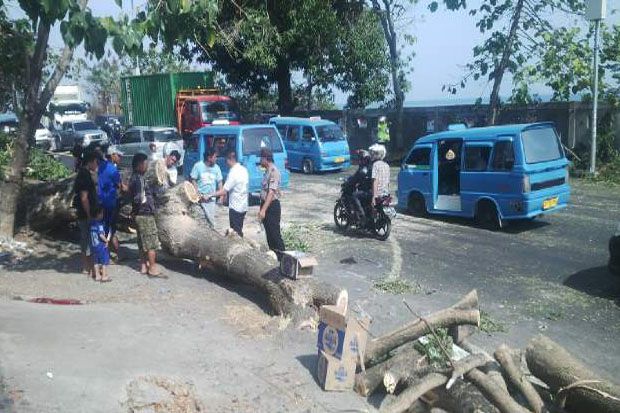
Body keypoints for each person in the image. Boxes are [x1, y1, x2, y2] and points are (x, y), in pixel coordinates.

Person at [129, 153, 164, 278]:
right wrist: (141, 205)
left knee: (141, 241)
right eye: (145, 163)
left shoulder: (134, 177)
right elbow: (138, 198)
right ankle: (152, 267)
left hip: (139, 214)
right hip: (145, 214)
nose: (147, 166)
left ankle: (144, 266)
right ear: (139, 164)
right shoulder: (139, 179)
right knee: (151, 242)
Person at [208, 150, 249, 237]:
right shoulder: (244, 169)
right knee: (238, 229)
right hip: (243, 205)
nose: (226, 163)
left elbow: (224, 190)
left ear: (230, 159)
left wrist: (210, 195)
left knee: (235, 233)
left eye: (226, 160)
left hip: (235, 206)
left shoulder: (233, 172)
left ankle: (240, 249)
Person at [73, 151, 100, 274]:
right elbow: (84, 198)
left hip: (86, 212)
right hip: (85, 214)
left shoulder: (85, 173)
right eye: (96, 162)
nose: (97, 164)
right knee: (87, 240)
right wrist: (89, 214)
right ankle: (87, 266)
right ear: (90, 161)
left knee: (88, 239)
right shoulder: (84, 175)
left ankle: (89, 266)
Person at [258, 148, 286, 260]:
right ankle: (274, 258)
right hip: (266, 205)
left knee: (275, 235)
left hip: (272, 207)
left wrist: (263, 210)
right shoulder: (267, 171)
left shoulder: (274, 171)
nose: (260, 160)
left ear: (266, 158)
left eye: (261, 158)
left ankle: (284, 259)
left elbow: (271, 193)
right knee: (269, 235)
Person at [98, 145, 123, 261]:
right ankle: (106, 255)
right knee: (109, 229)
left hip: (100, 201)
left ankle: (112, 253)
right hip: (110, 202)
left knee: (103, 227)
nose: (121, 158)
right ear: (113, 155)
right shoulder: (113, 170)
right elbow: (120, 186)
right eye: (119, 155)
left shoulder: (101, 166)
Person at [190, 148, 223, 227]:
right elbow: (193, 179)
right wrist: (197, 192)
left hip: (211, 200)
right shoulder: (198, 166)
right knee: (198, 222)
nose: (216, 159)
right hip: (199, 200)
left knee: (211, 221)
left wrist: (221, 196)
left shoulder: (217, 168)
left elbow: (220, 182)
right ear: (209, 158)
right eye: (215, 157)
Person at [346, 150, 372, 223]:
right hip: (375, 190)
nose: (360, 161)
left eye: (360, 159)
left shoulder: (364, 169)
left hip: (368, 190)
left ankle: (361, 215)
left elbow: (355, 178)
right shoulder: (371, 166)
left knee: (354, 195)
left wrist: (349, 182)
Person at [89, 206, 111, 282]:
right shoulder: (100, 224)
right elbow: (101, 235)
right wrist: (106, 241)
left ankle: (97, 275)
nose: (103, 215)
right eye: (102, 213)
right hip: (101, 246)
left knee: (95, 261)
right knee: (104, 260)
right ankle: (104, 276)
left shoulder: (91, 224)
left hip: (93, 245)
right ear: (98, 214)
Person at [369, 143, 391, 207]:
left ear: (377, 155)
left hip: (378, 194)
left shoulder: (375, 165)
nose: (371, 155)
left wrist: (374, 197)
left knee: (358, 195)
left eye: (373, 153)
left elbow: (375, 181)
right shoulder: (386, 165)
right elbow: (388, 181)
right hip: (385, 193)